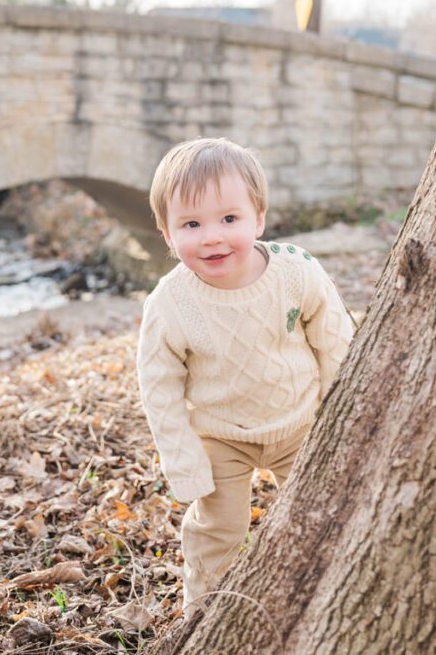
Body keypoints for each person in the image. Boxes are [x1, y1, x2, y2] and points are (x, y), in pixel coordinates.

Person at [136, 137, 354, 617]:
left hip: (302, 424)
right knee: (218, 532)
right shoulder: (170, 303)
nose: (211, 236)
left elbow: (335, 340)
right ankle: (207, 615)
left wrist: (347, 421)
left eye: (228, 219)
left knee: (321, 513)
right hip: (221, 437)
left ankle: (322, 595)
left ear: (258, 217)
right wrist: (184, 463)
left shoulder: (296, 272)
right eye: (191, 224)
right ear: (168, 235)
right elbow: (159, 389)